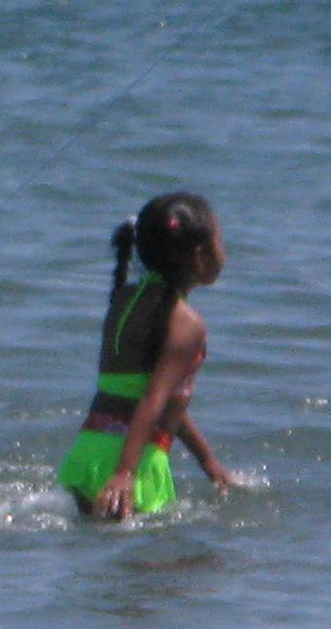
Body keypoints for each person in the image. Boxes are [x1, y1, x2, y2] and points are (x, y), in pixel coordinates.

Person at [61, 190, 236, 522]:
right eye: (220, 242)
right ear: (199, 257)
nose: (223, 251)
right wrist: (126, 472)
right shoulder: (186, 323)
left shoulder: (126, 299)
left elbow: (150, 394)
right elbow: (153, 401)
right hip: (133, 466)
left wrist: (207, 461)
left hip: (89, 456)